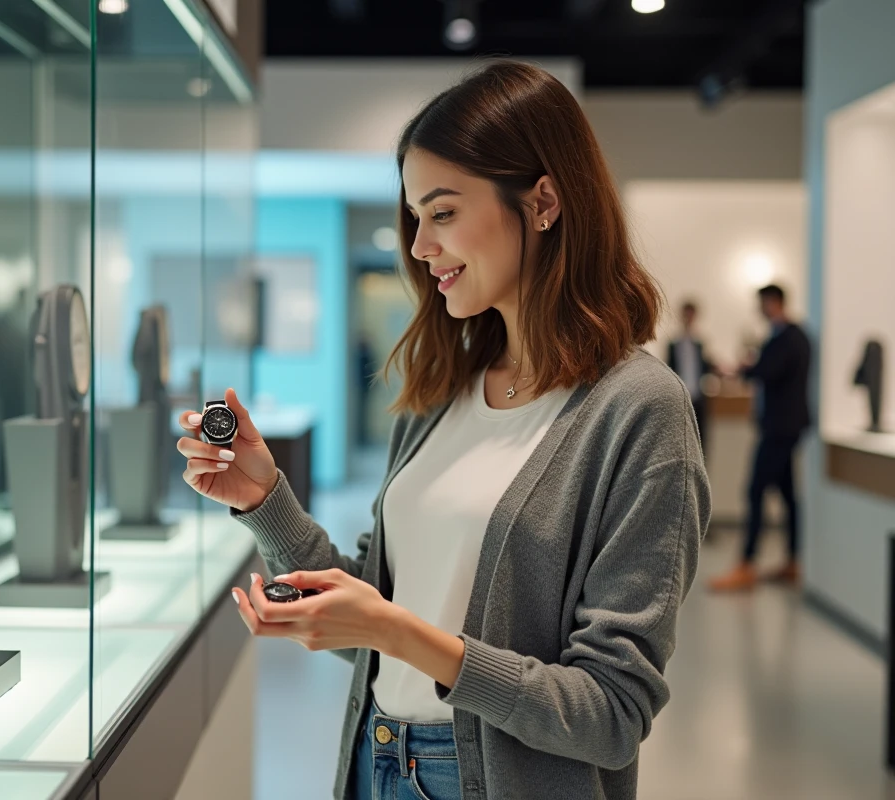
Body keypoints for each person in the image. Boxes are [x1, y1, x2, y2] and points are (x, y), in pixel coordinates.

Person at [177, 61, 708, 800]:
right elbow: (379, 604)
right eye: (415, 218)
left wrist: (399, 634)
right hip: (376, 759)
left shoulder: (639, 410)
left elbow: (609, 713)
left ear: (544, 201)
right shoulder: (443, 390)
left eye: (444, 212)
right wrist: (265, 497)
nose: (421, 247)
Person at [710, 284, 811, 592]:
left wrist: (744, 367)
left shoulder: (792, 338)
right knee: (788, 495)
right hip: (780, 428)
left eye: (762, 304)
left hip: (781, 429)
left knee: (755, 490)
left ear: (774, 302)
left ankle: (747, 564)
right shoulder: (782, 337)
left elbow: (769, 371)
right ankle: (793, 561)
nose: (759, 310)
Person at [667, 301, 716, 459]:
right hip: (680, 396)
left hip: (698, 397)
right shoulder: (673, 344)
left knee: (701, 442)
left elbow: (705, 368)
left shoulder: (700, 344)